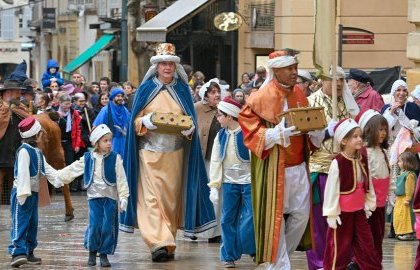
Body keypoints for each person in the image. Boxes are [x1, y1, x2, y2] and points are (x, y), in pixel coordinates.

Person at [120, 43, 216, 262]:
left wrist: (190, 128)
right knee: (151, 200)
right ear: (156, 66)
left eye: (171, 64)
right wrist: (143, 121)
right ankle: (157, 243)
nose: (167, 68)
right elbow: (134, 122)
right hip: (149, 155)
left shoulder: (182, 90)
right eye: (163, 63)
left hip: (175, 155)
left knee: (170, 202)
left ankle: (168, 242)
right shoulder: (145, 90)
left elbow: (190, 119)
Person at [238, 49, 319, 268]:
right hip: (275, 168)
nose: (295, 73)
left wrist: (315, 132)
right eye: (290, 69)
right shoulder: (260, 97)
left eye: (295, 68)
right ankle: (280, 265)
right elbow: (248, 129)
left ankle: (278, 260)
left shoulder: (299, 94)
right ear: (276, 70)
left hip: (300, 166)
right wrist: (273, 135)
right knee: (275, 218)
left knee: (301, 216)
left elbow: (307, 122)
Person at [305, 66, 360, 270]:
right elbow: (307, 137)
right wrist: (326, 132)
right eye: (334, 79)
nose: (338, 84)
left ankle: (342, 259)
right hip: (321, 167)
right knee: (320, 220)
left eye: (342, 80)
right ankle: (320, 263)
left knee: (345, 217)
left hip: (345, 167)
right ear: (322, 80)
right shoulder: (311, 102)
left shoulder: (345, 103)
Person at [56, 124, 129, 267]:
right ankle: (92, 251)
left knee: (108, 226)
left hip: (110, 198)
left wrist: (124, 197)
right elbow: (74, 168)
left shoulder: (116, 158)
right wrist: (59, 176)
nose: (109, 143)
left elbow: (121, 178)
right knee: (95, 225)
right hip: (94, 198)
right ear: (96, 143)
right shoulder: (88, 157)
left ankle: (103, 254)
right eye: (105, 141)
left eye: (110, 140)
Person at [323, 118, 380, 270]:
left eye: (360, 136)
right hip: (342, 214)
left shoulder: (362, 159)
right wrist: (331, 214)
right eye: (355, 136)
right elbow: (331, 190)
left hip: (359, 211)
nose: (359, 139)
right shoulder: (338, 162)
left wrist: (368, 204)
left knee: (367, 244)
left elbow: (368, 185)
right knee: (339, 247)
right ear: (343, 141)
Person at [8, 117, 63, 267]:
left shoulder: (37, 152)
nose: (44, 134)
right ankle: (18, 252)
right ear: (35, 135)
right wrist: (23, 195)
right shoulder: (24, 151)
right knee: (21, 221)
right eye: (41, 132)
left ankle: (29, 251)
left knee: (33, 223)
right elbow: (23, 174)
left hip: (33, 193)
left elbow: (48, 171)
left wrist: (62, 177)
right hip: (22, 194)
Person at [208, 97, 255, 268]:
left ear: (229, 116)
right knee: (227, 219)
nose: (217, 118)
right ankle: (228, 255)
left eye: (220, 115)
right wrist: (214, 186)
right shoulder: (220, 136)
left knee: (249, 218)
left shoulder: (247, 133)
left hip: (249, 182)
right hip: (229, 183)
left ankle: (251, 247)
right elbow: (215, 160)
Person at [357, 109, 390, 264]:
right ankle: (366, 264)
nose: (382, 133)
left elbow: (388, 177)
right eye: (379, 129)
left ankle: (375, 263)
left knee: (378, 237)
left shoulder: (383, 151)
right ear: (369, 130)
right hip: (369, 206)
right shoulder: (365, 153)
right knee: (368, 240)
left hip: (381, 205)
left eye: (384, 129)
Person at [195, 77, 222, 242]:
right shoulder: (197, 108)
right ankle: (198, 229)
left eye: (218, 92)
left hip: (217, 160)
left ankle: (215, 232)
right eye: (213, 92)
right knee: (202, 194)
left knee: (217, 195)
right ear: (206, 95)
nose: (216, 95)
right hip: (202, 158)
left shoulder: (223, 109)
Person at [0, 79, 29, 204]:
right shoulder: (1, 109)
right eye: (14, 92)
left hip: (18, 151)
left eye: (18, 92)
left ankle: (15, 210)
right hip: (2, 151)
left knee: (17, 185)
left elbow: (30, 124)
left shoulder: (21, 109)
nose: (17, 94)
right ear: (6, 93)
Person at [93, 88, 131, 157]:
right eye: (118, 96)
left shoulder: (125, 110)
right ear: (113, 97)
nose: (120, 98)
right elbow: (96, 127)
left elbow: (130, 124)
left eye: (122, 96)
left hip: (124, 142)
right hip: (110, 142)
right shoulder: (105, 110)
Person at [393, 152, 417, 241]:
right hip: (399, 198)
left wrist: (408, 199)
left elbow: (409, 188)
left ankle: (408, 233)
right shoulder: (402, 173)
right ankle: (401, 231)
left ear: (407, 162)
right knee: (399, 216)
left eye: (400, 161)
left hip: (405, 199)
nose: (398, 163)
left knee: (405, 216)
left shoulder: (409, 175)